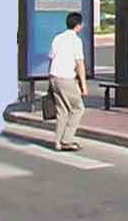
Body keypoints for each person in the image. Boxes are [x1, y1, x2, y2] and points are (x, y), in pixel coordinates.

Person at [48, 12, 88, 151]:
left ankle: (57, 142)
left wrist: (50, 78)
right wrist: (83, 85)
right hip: (66, 77)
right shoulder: (76, 41)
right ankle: (67, 140)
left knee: (62, 110)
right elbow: (79, 63)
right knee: (78, 108)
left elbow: (51, 58)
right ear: (78, 25)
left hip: (54, 76)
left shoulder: (58, 38)